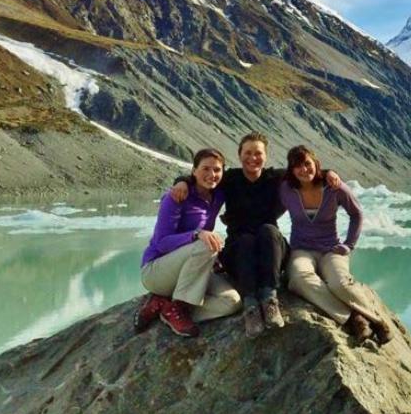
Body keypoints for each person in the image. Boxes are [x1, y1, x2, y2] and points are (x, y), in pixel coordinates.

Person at [170, 132, 339, 338]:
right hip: (238, 249)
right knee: (245, 239)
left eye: (258, 153)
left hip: (271, 248)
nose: (253, 158)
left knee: (268, 230)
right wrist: (181, 182)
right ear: (240, 155)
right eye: (247, 153)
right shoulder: (230, 178)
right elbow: (201, 178)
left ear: (265, 156)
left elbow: (305, 172)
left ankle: (269, 299)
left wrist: (329, 172)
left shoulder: (275, 178)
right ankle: (250, 306)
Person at [280, 145, 392, 344]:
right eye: (297, 166)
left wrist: (349, 244)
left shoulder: (334, 187)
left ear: (316, 164)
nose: (303, 169)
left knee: (339, 283)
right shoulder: (286, 189)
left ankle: (375, 319)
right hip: (301, 249)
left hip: (331, 248)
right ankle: (354, 318)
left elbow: (356, 213)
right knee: (298, 279)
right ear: (291, 169)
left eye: (307, 164)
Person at [136, 148, 241, 337]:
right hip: (156, 271)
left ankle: (166, 307)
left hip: (188, 271)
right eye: (205, 169)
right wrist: (196, 234)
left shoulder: (217, 195)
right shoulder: (177, 197)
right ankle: (179, 306)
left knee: (231, 302)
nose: (212, 175)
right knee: (206, 243)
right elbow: (161, 243)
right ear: (194, 171)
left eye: (217, 170)